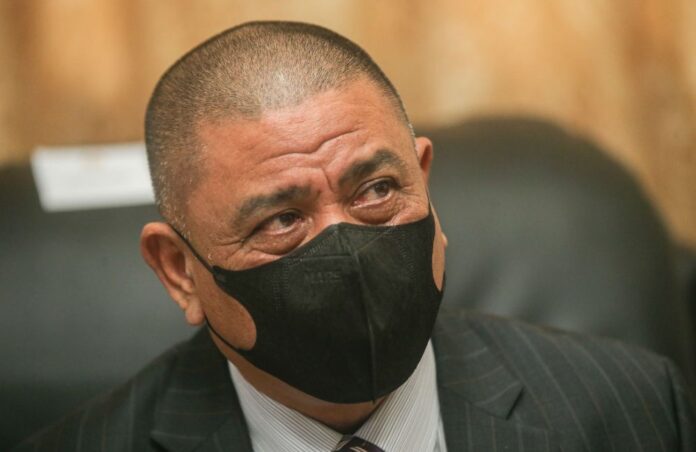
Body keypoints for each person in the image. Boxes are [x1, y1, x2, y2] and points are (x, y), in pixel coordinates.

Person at [13, 21, 695, 452]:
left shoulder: (631, 408)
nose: (346, 250)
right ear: (178, 269)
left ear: (424, 179)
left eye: (376, 190)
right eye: (281, 219)